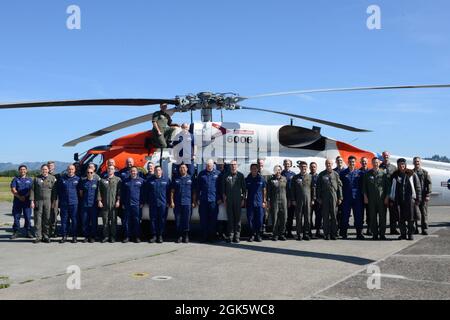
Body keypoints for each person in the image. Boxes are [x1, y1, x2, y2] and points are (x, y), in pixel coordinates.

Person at [390, 158, 421, 240]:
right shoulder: (395, 175)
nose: (401, 166)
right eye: (400, 164)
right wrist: (391, 199)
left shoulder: (411, 174)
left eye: (403, 164)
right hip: (398, 200)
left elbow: (418, 187)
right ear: (398, 165)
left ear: (405, 165)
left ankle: (410, 234)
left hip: (410, 200)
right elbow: (391, 188)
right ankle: (403, 234)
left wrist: (418, 199)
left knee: (411, 219)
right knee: (400, 219)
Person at [363, 157, 390, 240]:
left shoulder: (384, 174)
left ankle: (382, 234)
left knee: (382, 218)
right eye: (374, 162)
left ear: (379, 163)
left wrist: (387, 197)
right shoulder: (367, 174)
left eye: (377, 162)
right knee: (372, 217)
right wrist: (365, 197)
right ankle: (375, 234)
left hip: (381, 200)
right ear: (372, 163)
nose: (376, 164)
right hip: (371, 200)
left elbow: (387, 187)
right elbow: (364, 187)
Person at [316, 159, 343, 240]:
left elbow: (339, 187)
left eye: (330, 163)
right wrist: (319, 198)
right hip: (324, 198)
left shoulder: (336, 174)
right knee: (325, 216)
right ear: (325, 164)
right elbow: (318, 187)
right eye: (327, 163)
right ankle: (326, 234)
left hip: (334, 197)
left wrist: (340, 197)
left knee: (334, 216)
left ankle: (334, 233)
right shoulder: (321, 174)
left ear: (332, 164)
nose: (329, 165)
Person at [170, 164, 197, 243]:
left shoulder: (191, 179)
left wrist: (194, 202)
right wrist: (172, 201)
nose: (182, 169)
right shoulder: (176, 179)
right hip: (177, 203)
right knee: (178, 220)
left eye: (184, 168)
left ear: (187, 169)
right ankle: (179, 236)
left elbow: (194, 192)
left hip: (187, 203)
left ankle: (186, 236)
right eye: (181, 168)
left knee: (186, 220)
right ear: (179, 169)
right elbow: (172, 191)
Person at [30, 165, 57, 243]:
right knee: (37, 219)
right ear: (41, 170)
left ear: (48, 170)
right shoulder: (36, 178)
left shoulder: (52, 178)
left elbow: (54, 192)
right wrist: (32, 201)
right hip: (38, 202)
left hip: (48, 202)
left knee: (47, 219)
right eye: (43, 169)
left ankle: (46, 236)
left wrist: (54, 202)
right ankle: (38, 236)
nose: (44, 171)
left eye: (46, 169)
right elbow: (32, 190)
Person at [340, 156, 364, 240]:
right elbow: (340, 186)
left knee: (358, 216)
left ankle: (359, 233)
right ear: (348, 162)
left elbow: (363, 186)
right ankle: (344, 233)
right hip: (346, 198)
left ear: (355, 162)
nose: (351, 163)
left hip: (357, 198)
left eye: (353, 161)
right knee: (345, 216)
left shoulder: (360, 173)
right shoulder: (343, 173)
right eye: (350, 162)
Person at [222, 160, 246, 243]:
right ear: (230, 166)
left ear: (237, 166)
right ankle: (231, 236)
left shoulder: (240, 175)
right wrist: (224, 200)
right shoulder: (226, 176)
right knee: (230, 219)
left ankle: (237, 236)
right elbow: (223, 190)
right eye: (232, 165)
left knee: (238, 219)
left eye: (234, 165)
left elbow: (244, 189)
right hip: (229, 200)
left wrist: (243, 200)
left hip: (238, 200)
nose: (233, 166)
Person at [197, 159, 221, 242]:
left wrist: (220, 198)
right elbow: (198, 188)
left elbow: (221, 188)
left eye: (210, 165)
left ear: (213, 165)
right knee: (203, 219)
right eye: (207, 165)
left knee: (213, 219)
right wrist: (197, 199)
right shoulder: (201, 174)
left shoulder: (218, 174)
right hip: (203, 200)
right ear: (205, 165)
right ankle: (204, 236)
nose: (209, 166)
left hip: (214, 200)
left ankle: (212, 237)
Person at [145, 166, 170, 243]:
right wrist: (147, 201)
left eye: (159, 170)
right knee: (153, 220)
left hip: (163, 203)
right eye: (156, 170)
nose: (157, 172)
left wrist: (169, 202)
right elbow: (146, 192)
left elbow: (169, 192)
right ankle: (154, 235)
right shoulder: (150, 180)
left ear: (161, 171)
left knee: (162, 220)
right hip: (153, 203)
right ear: (154, 171)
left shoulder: (166, 180)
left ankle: (160, 236)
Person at [98, 165, 121, 243]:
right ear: (107, 170)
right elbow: (99, 191)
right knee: (105, 221)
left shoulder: (118, 180)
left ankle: (113, 237)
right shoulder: (102, 180)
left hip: (114, 204)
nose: (110, 170)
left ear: (114, 170)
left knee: (114, 221)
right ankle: (106, 236)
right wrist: (99, 201)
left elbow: (119, 191)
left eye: (112, 169)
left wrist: (118, 201)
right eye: (109, 169)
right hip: (105, 204)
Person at [58, 165, 81, 243]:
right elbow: (59, 191)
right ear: (67, 170)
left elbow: (80, 192)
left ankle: (74, 236)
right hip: (64, 203)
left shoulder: (78, 179)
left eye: (72, 169)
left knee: (74, 220)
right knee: (64, 221)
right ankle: (64, 236)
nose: (70, 170)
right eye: (69, 169)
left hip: (74, 203)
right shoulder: (62, 179)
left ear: (74, 170)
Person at [121, 167, 145, 243]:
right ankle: (127, 236)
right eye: (132, 171)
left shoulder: (141, 181)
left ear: (137, 172)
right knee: (127, 221)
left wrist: (142, 202)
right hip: (127, 204)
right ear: (130, 172)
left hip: (137, 205)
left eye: (134, 171)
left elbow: (144, 193)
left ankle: (137, 237)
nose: (133, 172)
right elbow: (122, 193)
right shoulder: (125, 181)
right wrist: (123, 203)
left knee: (137, 221)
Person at [291, 161, 314, 241]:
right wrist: (293, 199)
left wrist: (313, 199)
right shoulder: (295, 177)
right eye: (301, 166)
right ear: (299, 167)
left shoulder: (310, 177)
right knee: (299, 217)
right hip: (298, 200)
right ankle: (299, 234)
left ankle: (306, 234)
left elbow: (313, 188)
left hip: (308, 200)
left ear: (306, 167)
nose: (303, 168)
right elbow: (292, 189)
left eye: (304, 166)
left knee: (307, 217)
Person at [10, 165, 33, 239]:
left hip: (27, 202)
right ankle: (16, 232)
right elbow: (13, 189)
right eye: (21, 169)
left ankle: (28, 231)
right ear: (19, 170)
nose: (22, 170)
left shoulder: (30, 179)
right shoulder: (15, 179)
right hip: (17, 201)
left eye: (24, 169)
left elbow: (31, 190)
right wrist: (20, 197)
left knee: (28, 217)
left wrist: (25, 196)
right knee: (16, 217)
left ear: (26, 170)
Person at [245, 164, 267, 242]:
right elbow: (245, 191)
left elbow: (264, 190)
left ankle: (258, 235)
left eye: (255, 168)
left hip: (259, 202)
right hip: (250, 203)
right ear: (250, 169)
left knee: (260, 220)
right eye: (252, 169)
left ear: (258, 169)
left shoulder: (261, 179)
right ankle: (252, 235)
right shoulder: (247, 179)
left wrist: (264, 201)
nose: (254, 170)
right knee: (250, 220)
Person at [267, 165, 288, 241]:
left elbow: (288, 191)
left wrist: (289, 200)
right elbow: (268, 192)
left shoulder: (285, 179)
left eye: (279, 170)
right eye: (276, 170)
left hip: (283, 200)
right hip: (274, 201)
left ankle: (282, 234)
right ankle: (275, 234)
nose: (278, 171)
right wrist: (268, 201)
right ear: (274, 171)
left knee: (284, 218)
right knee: (275, 218)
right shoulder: (271, 180)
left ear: (281, 171)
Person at [381, 151, 399, 235]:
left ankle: (393, 229)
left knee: (393, 212)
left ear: (389, 156)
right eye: (384, 155)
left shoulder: (394, 167)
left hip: (392, 193)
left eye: (387, 155)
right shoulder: (379, 166)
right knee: (382, 213)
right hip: (382, 193)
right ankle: (382, 230)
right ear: (382, 156)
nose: (386, 157)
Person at [413, 157, 432, 235]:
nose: (417, 163)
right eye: (415, 161)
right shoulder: (411, 172)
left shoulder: (425, 172)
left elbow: (429, 184)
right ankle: (415, 229)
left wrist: (428, 194)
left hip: (423, 196)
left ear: (420, 162)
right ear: (413, 163)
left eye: (418, 161)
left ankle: (424, 229)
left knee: (424, 214)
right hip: (414, 197)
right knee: (414, 214)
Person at [79, 168, 100, 243]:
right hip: (85, 205)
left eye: (91, 172)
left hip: (94, 205)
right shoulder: (83, 181)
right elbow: (81, 193)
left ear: (93, 173)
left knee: (94, 222)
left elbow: (99, 193)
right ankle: (86, 236)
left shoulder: (97, 182)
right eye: (88, 172)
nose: (89, 174)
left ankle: (93, 236)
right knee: (85, 221)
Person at [281, 159, 296, 238]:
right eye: (285, 163)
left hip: (291, 198)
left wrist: (292, 199)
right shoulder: (281, 173)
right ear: (283, 164)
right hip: (282, 198)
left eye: (288, 164)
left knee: (290, 216)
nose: (287, 165)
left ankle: (289, 231)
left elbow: (294, 188)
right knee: (283, 216)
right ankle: (282, 232)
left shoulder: (293, 174)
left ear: (290, 165)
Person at [47, 161, 61, 238]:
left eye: (51, 166)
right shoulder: (44, 175)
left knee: (54, 214)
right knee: (47, 215)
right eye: (49, 165)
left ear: (54, 167)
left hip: (55, 198)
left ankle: (54, 231)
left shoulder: (58, 176)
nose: (50, 167)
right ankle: (47, 231)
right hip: (46, 198)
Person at [359, 157, 371, 236]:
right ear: (360, 162)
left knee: (369, 213)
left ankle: (369, 229)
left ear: (367, 162)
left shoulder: (370, 172)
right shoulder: (358, 172)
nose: (364, 163)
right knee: (360, 214)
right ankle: (361, 230)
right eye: (363, 162)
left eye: (365, 161)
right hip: (360, 196)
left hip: (369, 196)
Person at [310, 162, 322, 238]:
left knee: (318, 216)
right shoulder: (307, 176)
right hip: (310, 200)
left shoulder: (319, 177)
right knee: (309, 216)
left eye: (314, 167)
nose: (313, 168)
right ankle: (309, 231)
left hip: (318, 200)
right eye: (311, 167)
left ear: (316, 168)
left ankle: (318, 230)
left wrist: (320, 198)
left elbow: (321, 188)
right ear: (309, 168)